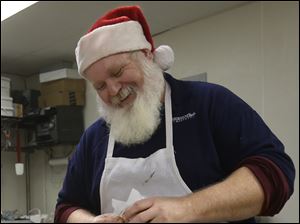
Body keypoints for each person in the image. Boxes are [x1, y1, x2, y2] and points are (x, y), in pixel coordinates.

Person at [54, 5, 295, 223]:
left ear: (147, 56)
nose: (114, 90)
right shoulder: (94, 139)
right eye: (100, 86)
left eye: (117, 72)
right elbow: (65, 208)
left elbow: (275, 173)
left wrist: (188, 208)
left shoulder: (208, 104)